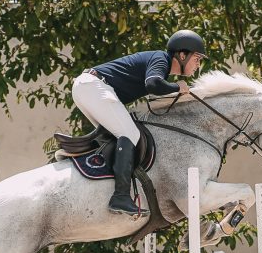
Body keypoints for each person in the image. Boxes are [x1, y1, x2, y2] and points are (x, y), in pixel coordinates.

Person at [71, 29, 206, 216]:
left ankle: (100, 184)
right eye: (197, 59)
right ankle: (120, 197)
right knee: (130, 134)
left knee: (115, 136)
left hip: (88, 87)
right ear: (182, 55)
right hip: (94, 86)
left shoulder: (162, 66)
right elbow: (153, 85)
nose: (198, 65)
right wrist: (177, 87)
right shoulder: (161, 59)